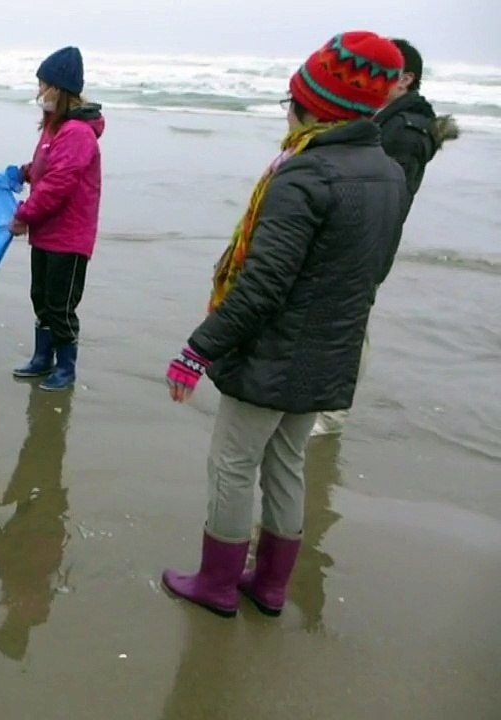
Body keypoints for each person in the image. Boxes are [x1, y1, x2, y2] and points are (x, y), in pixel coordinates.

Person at [160, 31, 410, 618]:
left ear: (315, 105)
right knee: (288, 461)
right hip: (333, 348)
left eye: (291, 100)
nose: (287, 112)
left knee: (233, 462)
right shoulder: (388, 172)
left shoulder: (305, 175)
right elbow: (374, 269)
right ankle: (270, 586)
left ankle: (218, 583)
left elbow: (263, 285)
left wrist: (198, 349)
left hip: (274, 353)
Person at [310, 37, 459, 437]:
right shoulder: (387, 119)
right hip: (357, 237)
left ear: (406, 78)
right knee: (340, 321)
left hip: (367, 242)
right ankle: (322, 402)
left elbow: (389, 198)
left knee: (352, 325)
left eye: (382, 74)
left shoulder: (405, 131)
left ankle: (333, 413)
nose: (370, 81)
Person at [9, 45, 105, 392]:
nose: (38, 92)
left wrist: (23, 214)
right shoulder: (54, 128)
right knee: (40, 297)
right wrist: (23, 172)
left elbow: (59, 185)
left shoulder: (77, 133)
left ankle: (66, 368)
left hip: (69, 237)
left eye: (43, 85)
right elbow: (46, 171)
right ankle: (41, 359)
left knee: (60, 306)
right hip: (46, 234)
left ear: (59, 89)